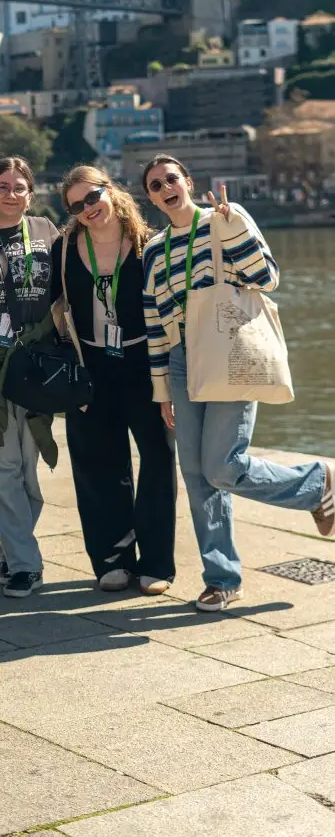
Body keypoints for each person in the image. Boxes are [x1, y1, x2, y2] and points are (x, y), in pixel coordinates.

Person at [142, 155, 334, 612]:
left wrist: (234, 230)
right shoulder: (153, 249)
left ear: (187, 182)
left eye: (172, 178)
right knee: (196, 474)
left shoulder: (225, 221)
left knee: (222, 466)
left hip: (229, 351)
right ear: (150, 197)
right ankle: (223, 578)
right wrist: (162, 388)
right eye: (154, 184)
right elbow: (155, 319)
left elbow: (267, 278)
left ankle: (316, 484)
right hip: (183, 359)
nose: (165, 186)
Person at [51, 166, 177, 596]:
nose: (87, 209)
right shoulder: (65, 247)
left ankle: (157, 563)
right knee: (98, 466)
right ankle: (111, 560)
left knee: (158, 461)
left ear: (110, 191)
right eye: (75, 205)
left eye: (93, 197)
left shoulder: (149, 245)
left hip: (145, 363)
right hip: (91, 364)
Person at [0, 157, 59, 598]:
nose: (10, 194)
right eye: (1, 186)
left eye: (19, 187)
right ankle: (25, 565)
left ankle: (11, 548)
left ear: (30, 193)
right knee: (1, 469)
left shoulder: (48, 231)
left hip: (39, 368)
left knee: (30, 473)